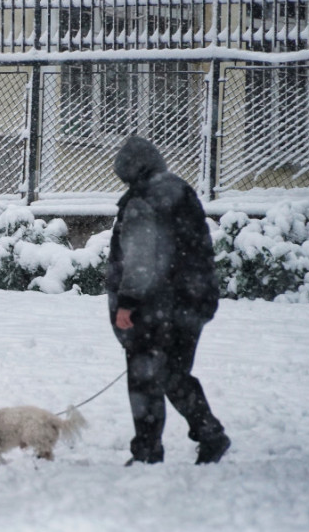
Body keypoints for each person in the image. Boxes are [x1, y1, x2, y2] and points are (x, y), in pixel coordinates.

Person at [105, 136, 231, 466]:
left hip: (155, 306)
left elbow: (141, 257)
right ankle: (210, 434)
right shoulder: (180, 192)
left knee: (145, 377)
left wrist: (127, 302)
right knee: (173, 373)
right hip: (193, 300)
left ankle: (148, 451)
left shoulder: (144, 198)